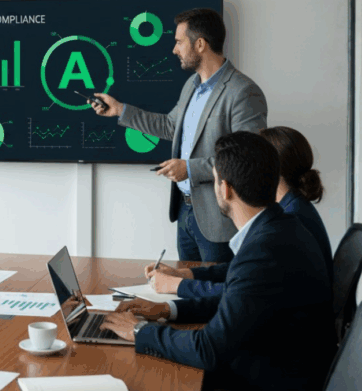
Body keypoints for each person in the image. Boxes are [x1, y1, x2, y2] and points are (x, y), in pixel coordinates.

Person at [101, 132, 334, 390]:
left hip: (268, 378)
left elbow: (208, 350)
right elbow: (237, 301)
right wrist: (168, 310)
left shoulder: (264, 249)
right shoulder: (278, 228)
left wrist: (139, 332)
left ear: (225, 188)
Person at [92, 8, 267, 264]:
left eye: (178, 42)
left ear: (200, 44)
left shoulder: (243, 92)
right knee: (189, 291)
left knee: (214, 297)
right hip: (185, 212)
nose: (174, 50)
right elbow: (170, 126)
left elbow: (248, 157)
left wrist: (190, 169)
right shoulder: (191, 86)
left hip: (219, 219)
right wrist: (120, 110)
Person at [147, 126, 334, 297]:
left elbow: (239, 291)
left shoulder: (289, 220)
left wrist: (178, 285)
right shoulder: (291, 207)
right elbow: (246, 271)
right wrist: (187, 274)